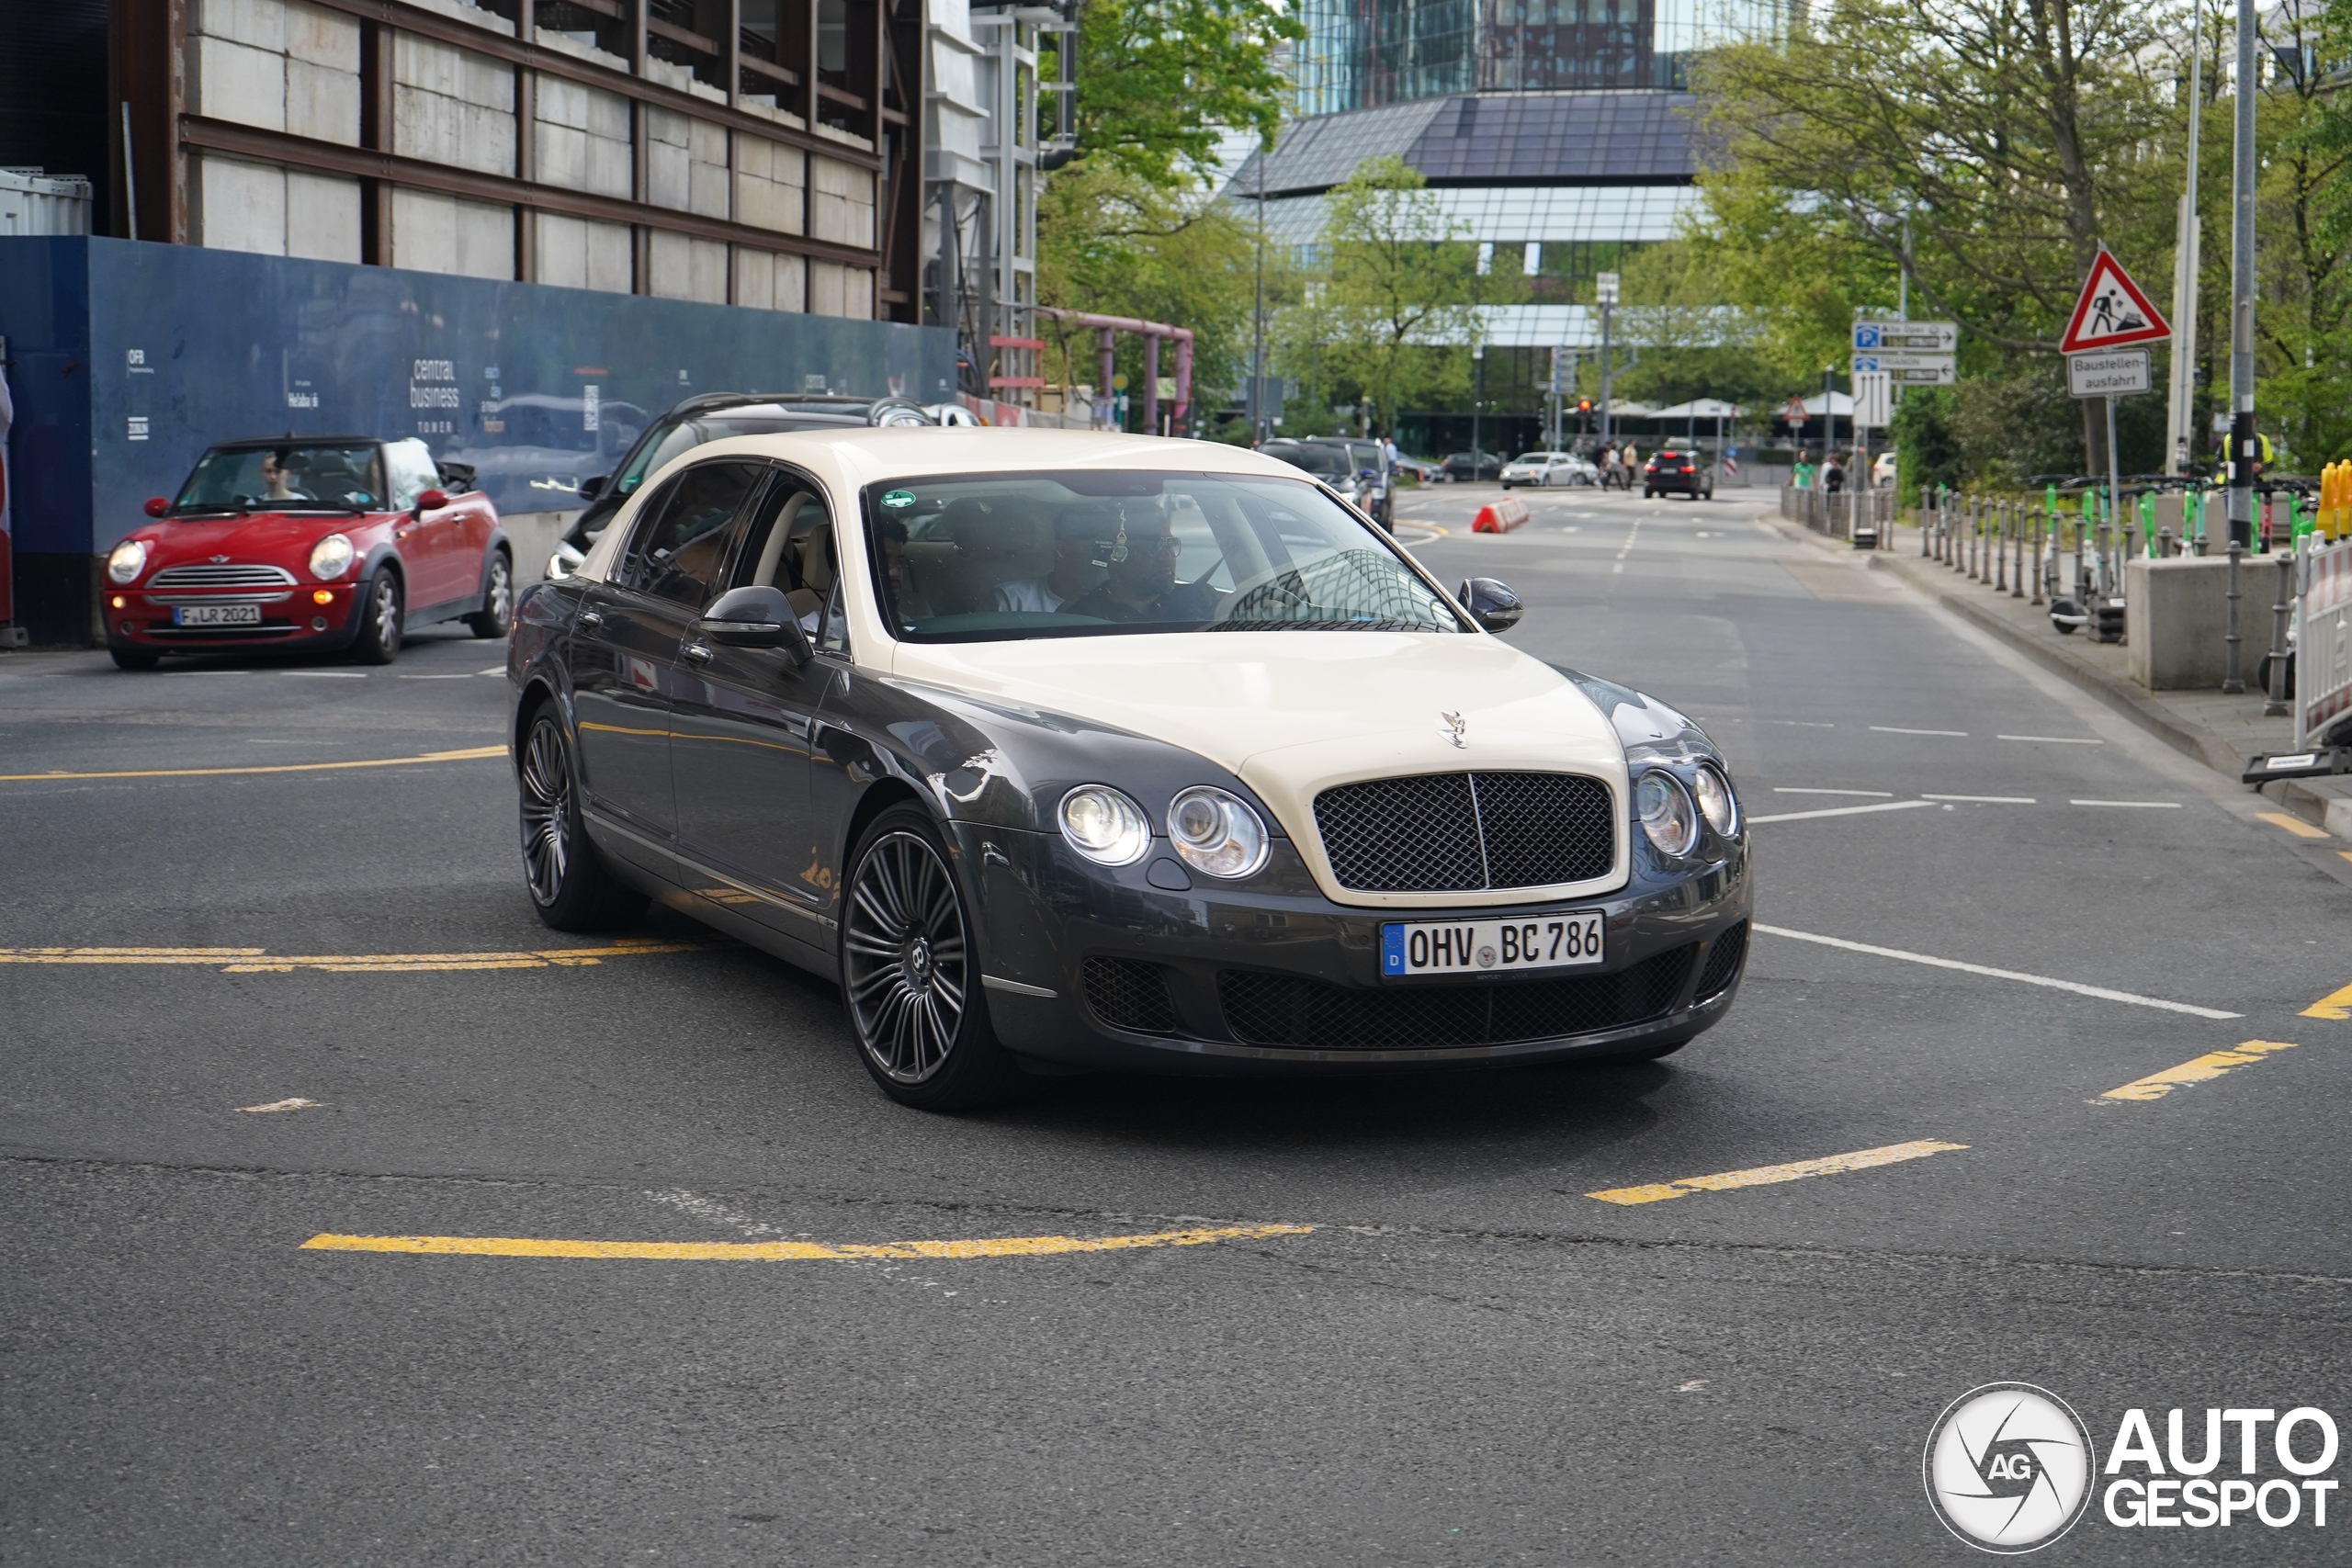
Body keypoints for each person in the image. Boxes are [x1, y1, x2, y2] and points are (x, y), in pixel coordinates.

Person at [1060, 506, 1219, 625]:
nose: (1166, 556)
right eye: (1151, 547)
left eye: (1170, 544)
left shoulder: (1203, 599)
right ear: (1114, 557)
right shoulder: (1083, 618)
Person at [997, 502, 1112, 614]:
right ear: (1061, 549)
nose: (1101, 548)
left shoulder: (1120, 602)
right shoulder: (1011, 600)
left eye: (1104, 540)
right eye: (1091, 539)